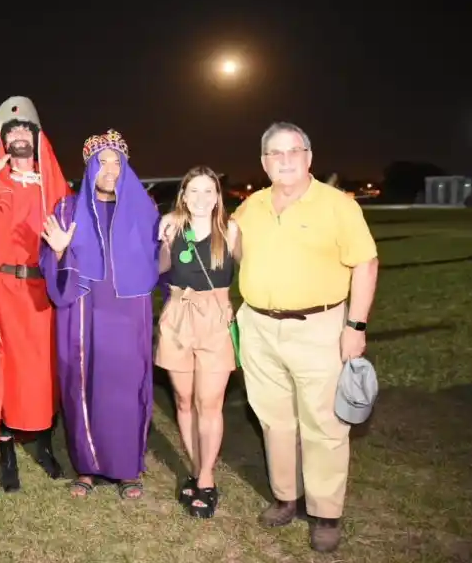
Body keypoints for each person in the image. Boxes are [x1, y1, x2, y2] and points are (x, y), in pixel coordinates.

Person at [232, 122, 378, 553]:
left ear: (309, 157)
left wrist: (356, 327)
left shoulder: (336, 206)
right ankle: (286, 496)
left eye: (293, 151)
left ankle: (326, 512)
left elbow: (365, 264)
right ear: (264, 162)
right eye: (275, 153)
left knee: (324, 423)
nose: (285, 160)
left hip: (319, 328)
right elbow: (232, 250)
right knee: (273, 418)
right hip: (259, 327)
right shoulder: (252, 207)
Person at [0, 96, 72, 491]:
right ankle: (7, 451)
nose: (19, 134)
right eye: (11, 130)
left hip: (43, 293)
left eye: (26, 128)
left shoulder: (54, 184)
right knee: (4, 372)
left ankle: (43, 443)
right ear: (3, 140)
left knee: (42, 372)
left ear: (37, 136)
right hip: (2, 289)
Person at [39, 130, 160, 499]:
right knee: (83, 383)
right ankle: (87, 467)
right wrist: (59, 253)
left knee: (125, 385)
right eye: (101, 162)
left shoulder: (144, 211)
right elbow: (50, 263)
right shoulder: (66, 210)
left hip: (128, 313)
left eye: (116, 163)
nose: (109, 169)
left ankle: (127, 469)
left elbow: (160, 260)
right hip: (84, 311)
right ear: (89, 168)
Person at [156, 166, 240, 518]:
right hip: (178, 315)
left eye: (208, 191)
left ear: (218, 196)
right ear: (184, 196)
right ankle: (195, 466)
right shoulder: (172, 226)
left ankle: (205, 479)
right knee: (183, 400)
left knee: (209, 402)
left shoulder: (230, 230)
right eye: (194, 191)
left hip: (215, 319)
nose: (201, 198)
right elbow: (160, 268)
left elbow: (252, 271)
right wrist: (163, 239)